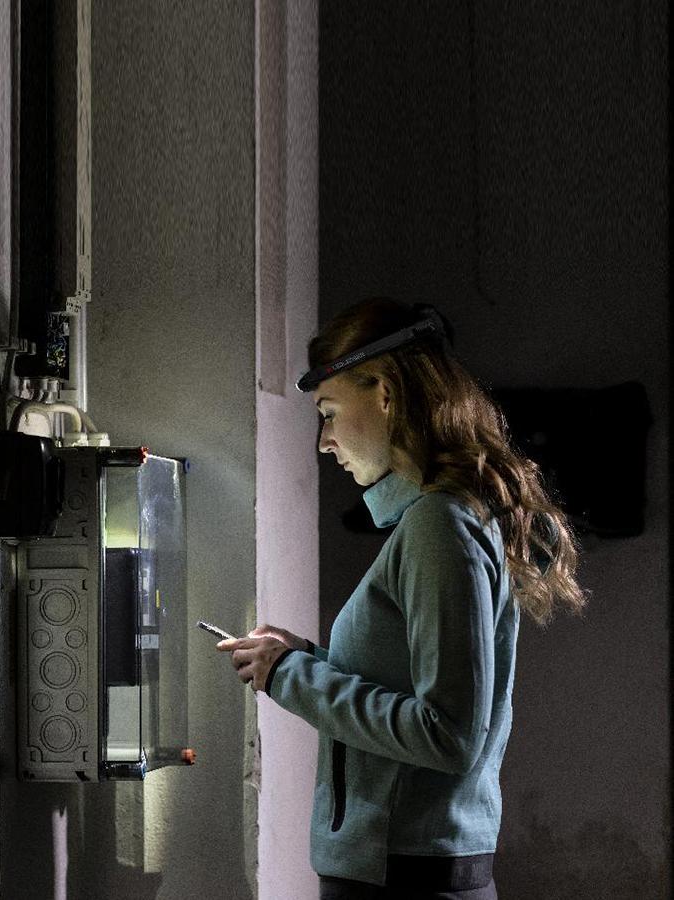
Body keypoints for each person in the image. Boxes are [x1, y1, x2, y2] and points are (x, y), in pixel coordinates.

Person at [217, 298, 589, 900]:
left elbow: (448, 734)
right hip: (405, 870)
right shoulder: (440, 519)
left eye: (330, 412)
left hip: (402, 878)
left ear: (385, 395)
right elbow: (408, 684)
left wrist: (294, 678)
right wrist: (303, 657)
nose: (324, 441)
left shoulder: (439, 525)